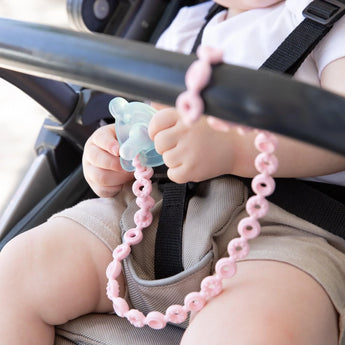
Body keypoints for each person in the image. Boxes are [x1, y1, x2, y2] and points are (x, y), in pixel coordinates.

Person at [1, 0, 345, 344]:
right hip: (156, 212)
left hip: (291, 232)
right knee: (18, 271)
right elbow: (149, 124)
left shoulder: (333, 22)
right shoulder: (188, 26)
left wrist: (237, 148)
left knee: (257, 328)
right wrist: (117, 148)